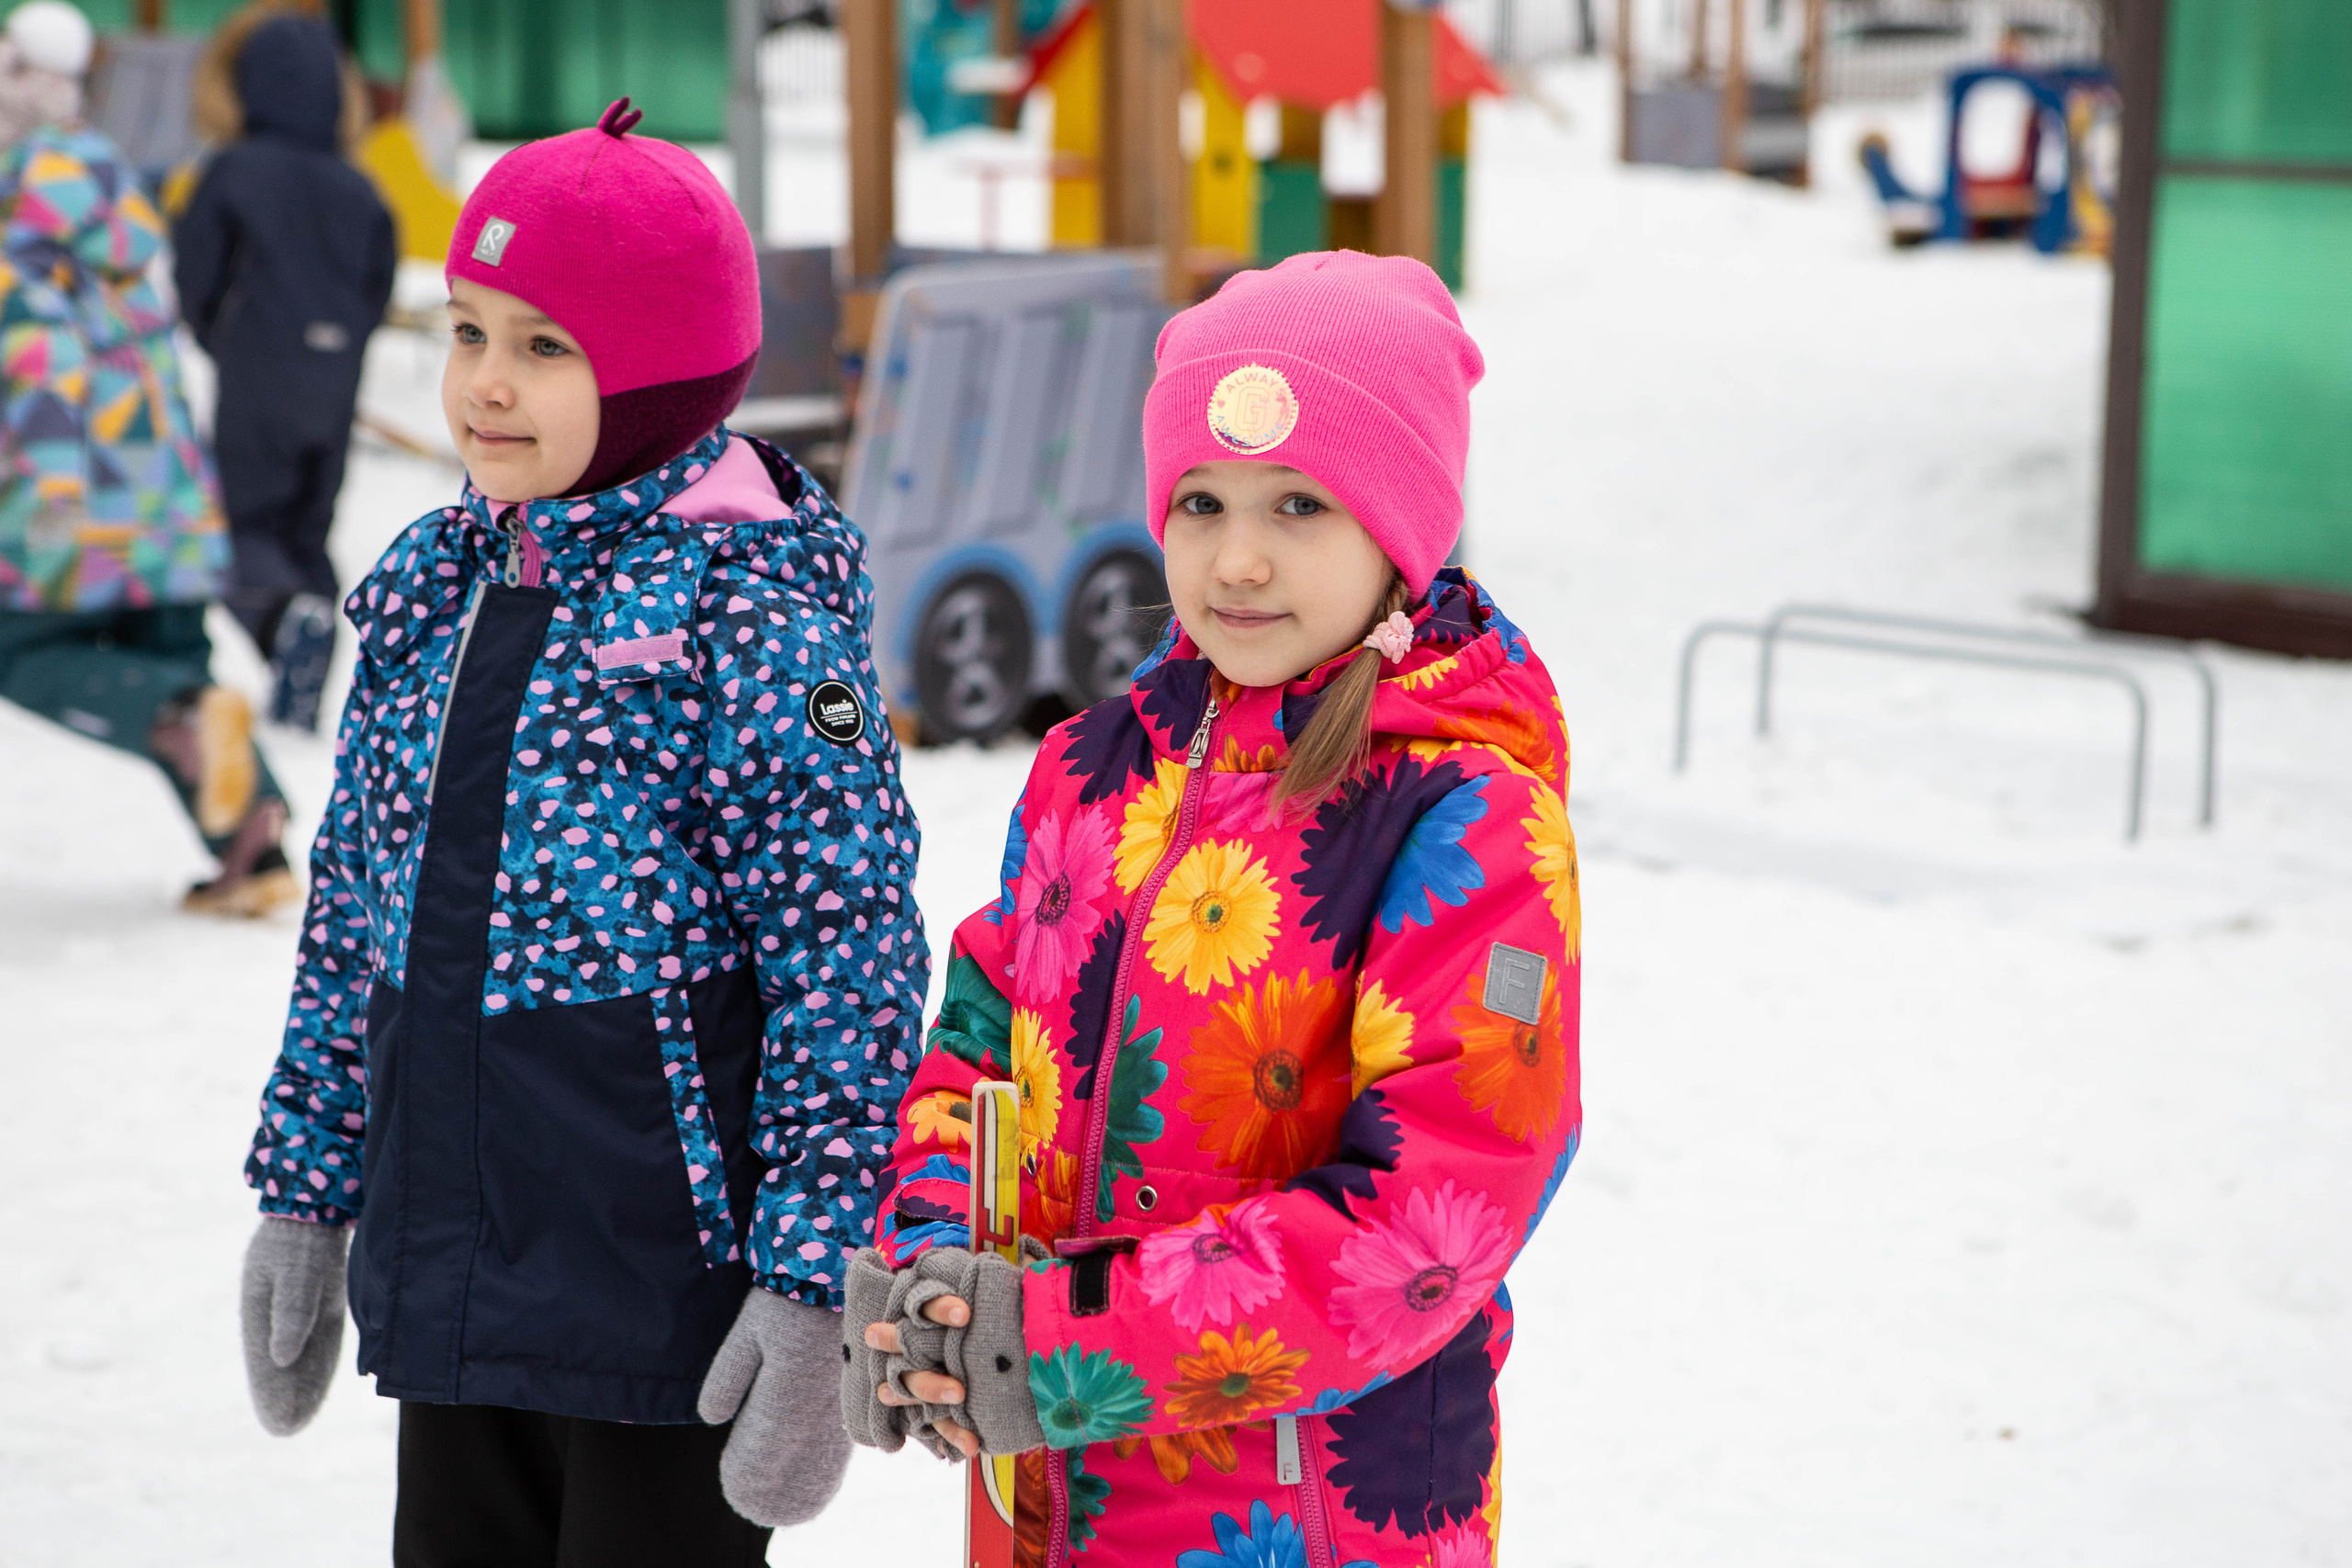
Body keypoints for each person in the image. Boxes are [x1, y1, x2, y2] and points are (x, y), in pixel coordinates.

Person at [234, 100, 924, 1563]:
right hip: (458, 1264)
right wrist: (307, 1185)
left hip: (666, 1298)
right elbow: (353, 910)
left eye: (546, 346)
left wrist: (812, 1284)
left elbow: (846, 961)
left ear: (667, 370)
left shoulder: (750, 614)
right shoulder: (433, 583)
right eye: (468, 329)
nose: (484, 384)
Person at [839, 251, 1583, 1566]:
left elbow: (1428, 1226)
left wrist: (1052, 1344)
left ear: (1402, 532)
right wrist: (927, 1270)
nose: (1236, 559)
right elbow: (974, 1042)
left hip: (1310, 1523)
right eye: (1200, 501)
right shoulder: (1091, 768)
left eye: (1300, 503)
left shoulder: (1469, 824)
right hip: (1050, 1513)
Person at [0, 0, 294, 917]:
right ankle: (254, 847)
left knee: (20, 649)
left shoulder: (22, 223)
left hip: (76, 485)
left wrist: (44, 505)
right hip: (163, 486)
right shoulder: (115, 191)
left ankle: (178, 723)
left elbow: (36, 368)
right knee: (174, 652)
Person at [174, 10, 393, 732]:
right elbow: (377, 285)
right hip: (335, 378)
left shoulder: (234, 169)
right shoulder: (360, 188)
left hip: (259, 368)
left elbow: (196, 270)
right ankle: (315, 668)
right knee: (306, 526)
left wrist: (221, 336)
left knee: (245, 524)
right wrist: (344, 343)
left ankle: (277, 624)